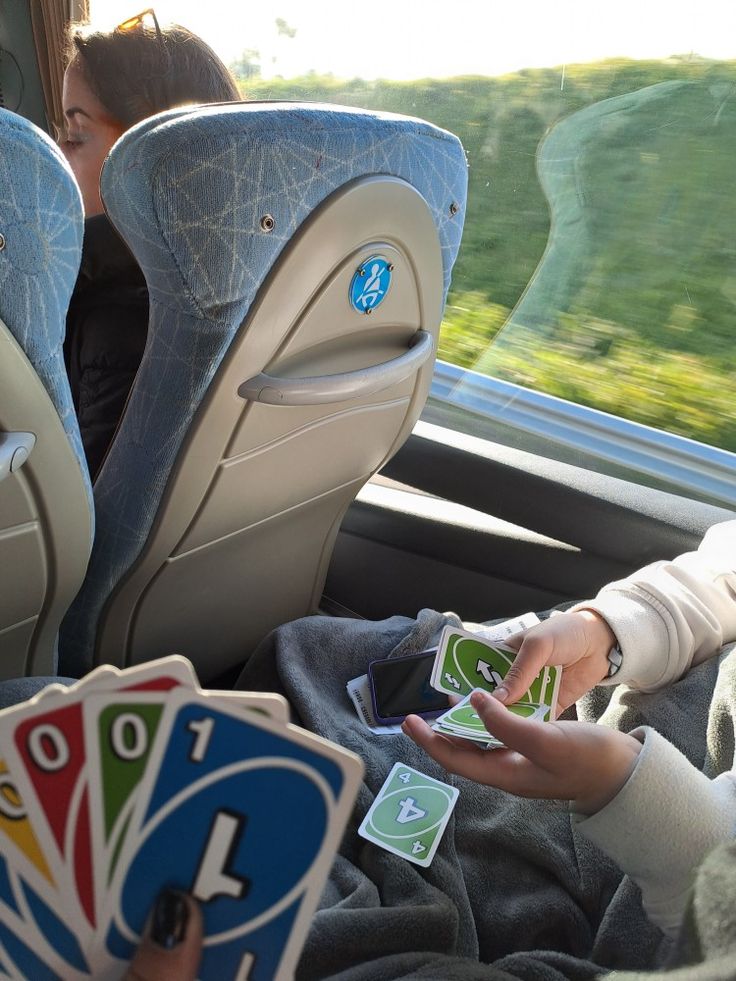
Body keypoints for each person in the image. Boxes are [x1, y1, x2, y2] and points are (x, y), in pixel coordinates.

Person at [404, 518, 736, 939]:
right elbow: (724, 578)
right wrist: (608, 632)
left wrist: (617, 780)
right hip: (613, 687)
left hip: (667, 847)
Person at [60, 15, 240, 478]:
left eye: (75, 137)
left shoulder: (113, 322)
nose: (57, 158)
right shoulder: (252, 278)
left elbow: (83, 526)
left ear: (151, 162)